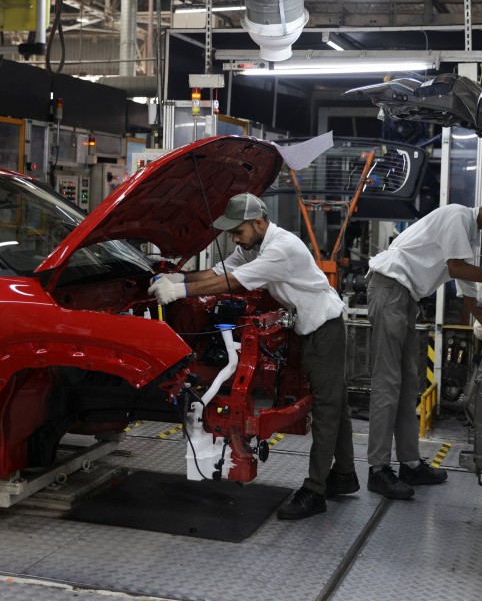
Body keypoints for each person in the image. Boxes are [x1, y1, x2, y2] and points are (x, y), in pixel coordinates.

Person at [149, 193, 356, 520]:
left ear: (259, 222)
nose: (234, 237)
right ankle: (344, 475)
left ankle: (315, 490)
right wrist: (179, 278)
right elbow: (218, 272)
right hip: (311, 329)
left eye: (238, 230)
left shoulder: (280, 248)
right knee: (336, 401)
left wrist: (180, 291)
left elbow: (231, 282)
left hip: (324, 329)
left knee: (328, 409)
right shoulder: (252, 246)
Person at [365, 191, 482, 499]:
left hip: (404, 297)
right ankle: (377, 469)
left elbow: (469, 298)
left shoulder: (467, 237)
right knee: (388, 382)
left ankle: (410, 463)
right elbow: (456, 269)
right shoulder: (457, 215)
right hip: (389, 289)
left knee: (407, 383)